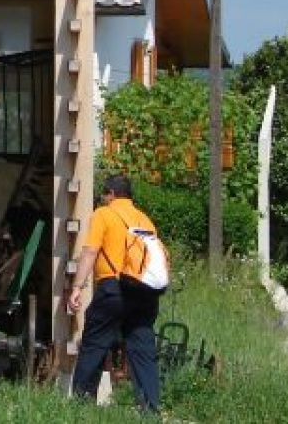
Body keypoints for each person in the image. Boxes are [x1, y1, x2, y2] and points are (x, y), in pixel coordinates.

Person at [68, 173, 164, 413]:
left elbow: (90, 252)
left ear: (110, 193)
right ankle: (150, 409)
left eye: (104, 194)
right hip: (145, 292)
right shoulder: (145, 220)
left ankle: (81, 405)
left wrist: (77, 287)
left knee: (94, 342)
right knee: (142, 348)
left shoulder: (104, 214)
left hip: (114, 288)